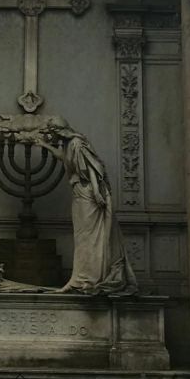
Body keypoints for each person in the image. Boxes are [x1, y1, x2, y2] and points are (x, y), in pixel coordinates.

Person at [33, 117, 137, 295]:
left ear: (57, 131)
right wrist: (45, 146)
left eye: (50, 133)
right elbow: (65, 159)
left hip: (87, 194)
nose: (50, 136)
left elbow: (92, 169)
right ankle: (81, 278)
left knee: (89, 237)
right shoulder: (69, 145)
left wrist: (96, 192)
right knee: (83, 237)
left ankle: (88, 279)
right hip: (80, 193)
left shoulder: (76, 143)